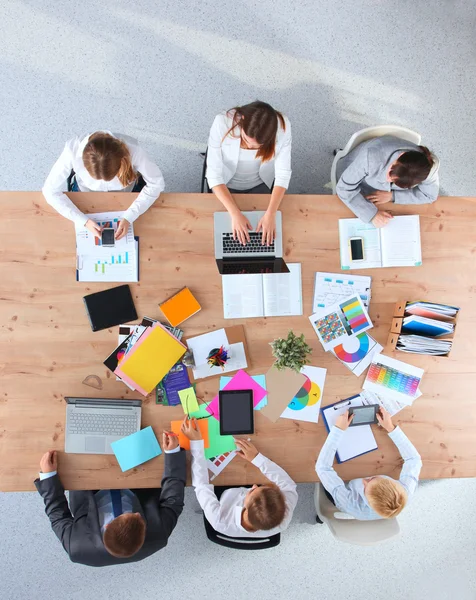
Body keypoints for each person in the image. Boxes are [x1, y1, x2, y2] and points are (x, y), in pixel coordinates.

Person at [34, 432, 186, 567]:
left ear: (106, 527)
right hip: (137, 479)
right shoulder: (159, 534)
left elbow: (57, 515)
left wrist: (48, 476)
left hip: (88, 485)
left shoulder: (76, 546)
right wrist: (172, 453)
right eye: (138, 517)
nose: (139, 514)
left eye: (134, 515)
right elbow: (173, 501)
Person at [181, 416, 298, 538]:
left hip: (225, 494)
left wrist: (196, 443)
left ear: (245, 507)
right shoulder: (284, 513)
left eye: (252, 491)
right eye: (258, 487)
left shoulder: (219, 521)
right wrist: (256, 458)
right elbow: (288, 484)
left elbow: (201, 485)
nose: (253, 485)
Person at [42, 131, 165, 240]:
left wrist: (130, 216)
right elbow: (49, 190)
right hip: (85, 193)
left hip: (127, 193)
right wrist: (82, 221)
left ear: (122, 160)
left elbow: (157, 183)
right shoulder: (72, 150)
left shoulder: (134, 150)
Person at [205, 100, 292, 245]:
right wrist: (234, 214)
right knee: (219, 237)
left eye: (257, 146)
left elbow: (283, 174)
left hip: (260, 184)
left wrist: (271, 214)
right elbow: (214, 175)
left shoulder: (283, 127)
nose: (250, 147)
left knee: (266, 239)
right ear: (242, 120)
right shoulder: (222, 122)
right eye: (246, 140)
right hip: (225, 185)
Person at [315, 407, 422, 520]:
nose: (364, 480)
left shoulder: (349, 503)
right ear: (393, 483)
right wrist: (390, 427)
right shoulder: (404, 493)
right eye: (373, 478)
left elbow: (322, 468)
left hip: (344, 493)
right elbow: (414, 459)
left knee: (325, 484)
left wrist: (337, 430)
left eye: (366, 487)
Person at [336, 135, 439, 227]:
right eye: (390, 173)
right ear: (399, 156)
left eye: (394, 182)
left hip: (377, 194)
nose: (388, 179)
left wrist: (392, 196)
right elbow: (344, 187)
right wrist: (372, 215)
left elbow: (429, 195)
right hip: (354, 176)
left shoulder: (427, 168)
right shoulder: (371, 158)